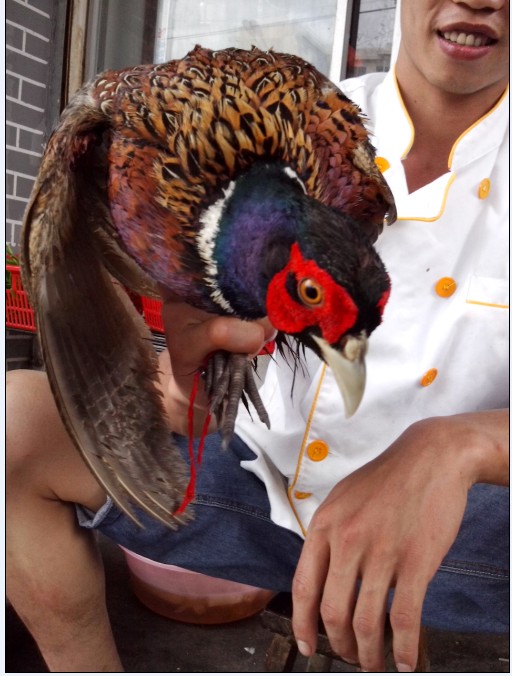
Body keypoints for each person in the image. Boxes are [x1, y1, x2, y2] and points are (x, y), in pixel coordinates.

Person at [6, 0, 509, 672]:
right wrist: (173, 380)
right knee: (15, 425)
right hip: (261, 482)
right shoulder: (307, 117)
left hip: (459, 534)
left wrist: (463, 445)